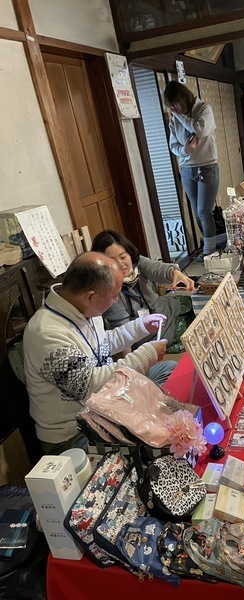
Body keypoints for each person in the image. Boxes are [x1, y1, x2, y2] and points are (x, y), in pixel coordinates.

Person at [23, 251, 172, 455]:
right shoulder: (47, 334)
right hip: (75, 433)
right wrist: (145, 355)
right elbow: (91, 387)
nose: (116, 300)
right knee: (152, 442)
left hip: (108, 405)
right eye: (114, 295)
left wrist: (140, 327)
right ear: (91, 297)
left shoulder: (83, 307)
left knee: (169, 370)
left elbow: (102, 344)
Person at [91, 229, 195, 353]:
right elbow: (122, 332)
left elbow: (155, 268)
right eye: (112, 260)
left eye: (123, 257)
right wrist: (131, 361)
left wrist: (174, 272)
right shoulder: (109, 290)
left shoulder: (136, 264)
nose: (120, 263)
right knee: (193, 333)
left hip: (165, 311)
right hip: (152, 335)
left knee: (196, 306)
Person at [164, 80, 227, 260]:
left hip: (207, 168)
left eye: (176, 103)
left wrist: (180, 117)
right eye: (172, 106)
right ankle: (211, 247)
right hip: (187, 170)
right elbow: (173, 146)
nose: (175, 108)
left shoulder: (203, 109)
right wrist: (185, 150)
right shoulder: (174, 120)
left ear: (184, 97)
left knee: (204, 211)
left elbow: (200, 130)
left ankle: (209, 252)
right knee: (198, 213)